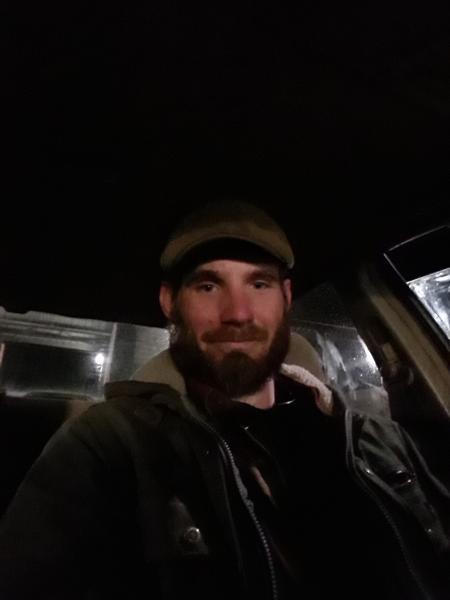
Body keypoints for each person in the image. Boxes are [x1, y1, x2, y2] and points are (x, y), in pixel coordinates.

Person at [0, 201, 448, 600]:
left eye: (259, 284)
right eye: (208, 286)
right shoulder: (112, 445)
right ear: (169, 302)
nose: (237, 313)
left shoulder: (377, 441)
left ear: (286, 298)